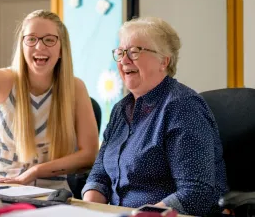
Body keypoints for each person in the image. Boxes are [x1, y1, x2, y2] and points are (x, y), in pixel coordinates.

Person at [82, 17, 228, 216]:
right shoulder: (120, 109)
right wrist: (90, 210)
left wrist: (138, 215)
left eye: (134, 52)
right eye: (121, 52)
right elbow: (99, 175)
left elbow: (196, 193)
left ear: (164, 61)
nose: (124, 60)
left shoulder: (182, 107)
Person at [0, 10, 99, 190]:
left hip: (51, 191)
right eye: (31, 39)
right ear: (22, 45)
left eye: (49, 39)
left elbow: (90, 154)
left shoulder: (75, 88)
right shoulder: (0, 79)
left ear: (61, 49)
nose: (39, 47)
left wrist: (36, 171)